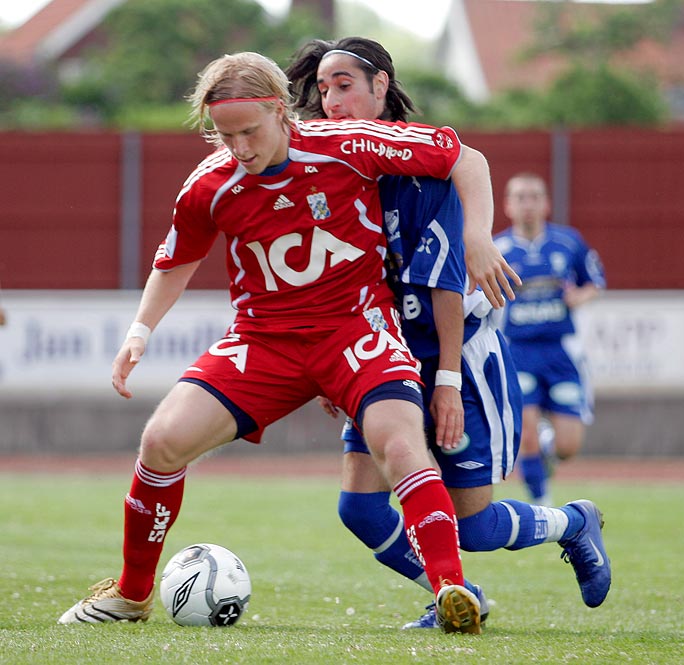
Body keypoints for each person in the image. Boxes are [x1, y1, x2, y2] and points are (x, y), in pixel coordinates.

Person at [57, 50, 515, 634]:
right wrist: (139, 333)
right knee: (161, 440)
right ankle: (130, 593)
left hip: (355, 330)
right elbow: (176, 260)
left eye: (249, 130)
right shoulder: (210, 184)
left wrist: (476, 236)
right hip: (264, 342)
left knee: (399, 446)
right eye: (225, 136)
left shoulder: (347, 144)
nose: (240, 147)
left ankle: (453, 590)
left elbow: (464, 158)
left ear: (279, 110)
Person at [286, 36, 612, 629]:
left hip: (453, 355)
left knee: (474, 526)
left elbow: (443, 285)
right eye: (324, 89)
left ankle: (571, 522)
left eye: (345, 86)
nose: (331, 101)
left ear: (381, 86)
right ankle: (453, 593)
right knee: (359, 509)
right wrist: (333, 366)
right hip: (377, 359)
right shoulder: (328, 175)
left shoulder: (418, 168)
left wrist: (445, 380)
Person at [494, 173, 606, 506]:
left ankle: (547, 451)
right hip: (519, 352)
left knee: (568, 447)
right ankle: (542, 506)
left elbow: (594, 282)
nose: (527, 204)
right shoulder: (497, 248)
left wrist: (579, 297)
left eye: (534, 197)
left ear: (546, 204)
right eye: (520, 197)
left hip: (561, 352)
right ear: (507, 205)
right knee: (525, 430)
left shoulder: (568, 242)